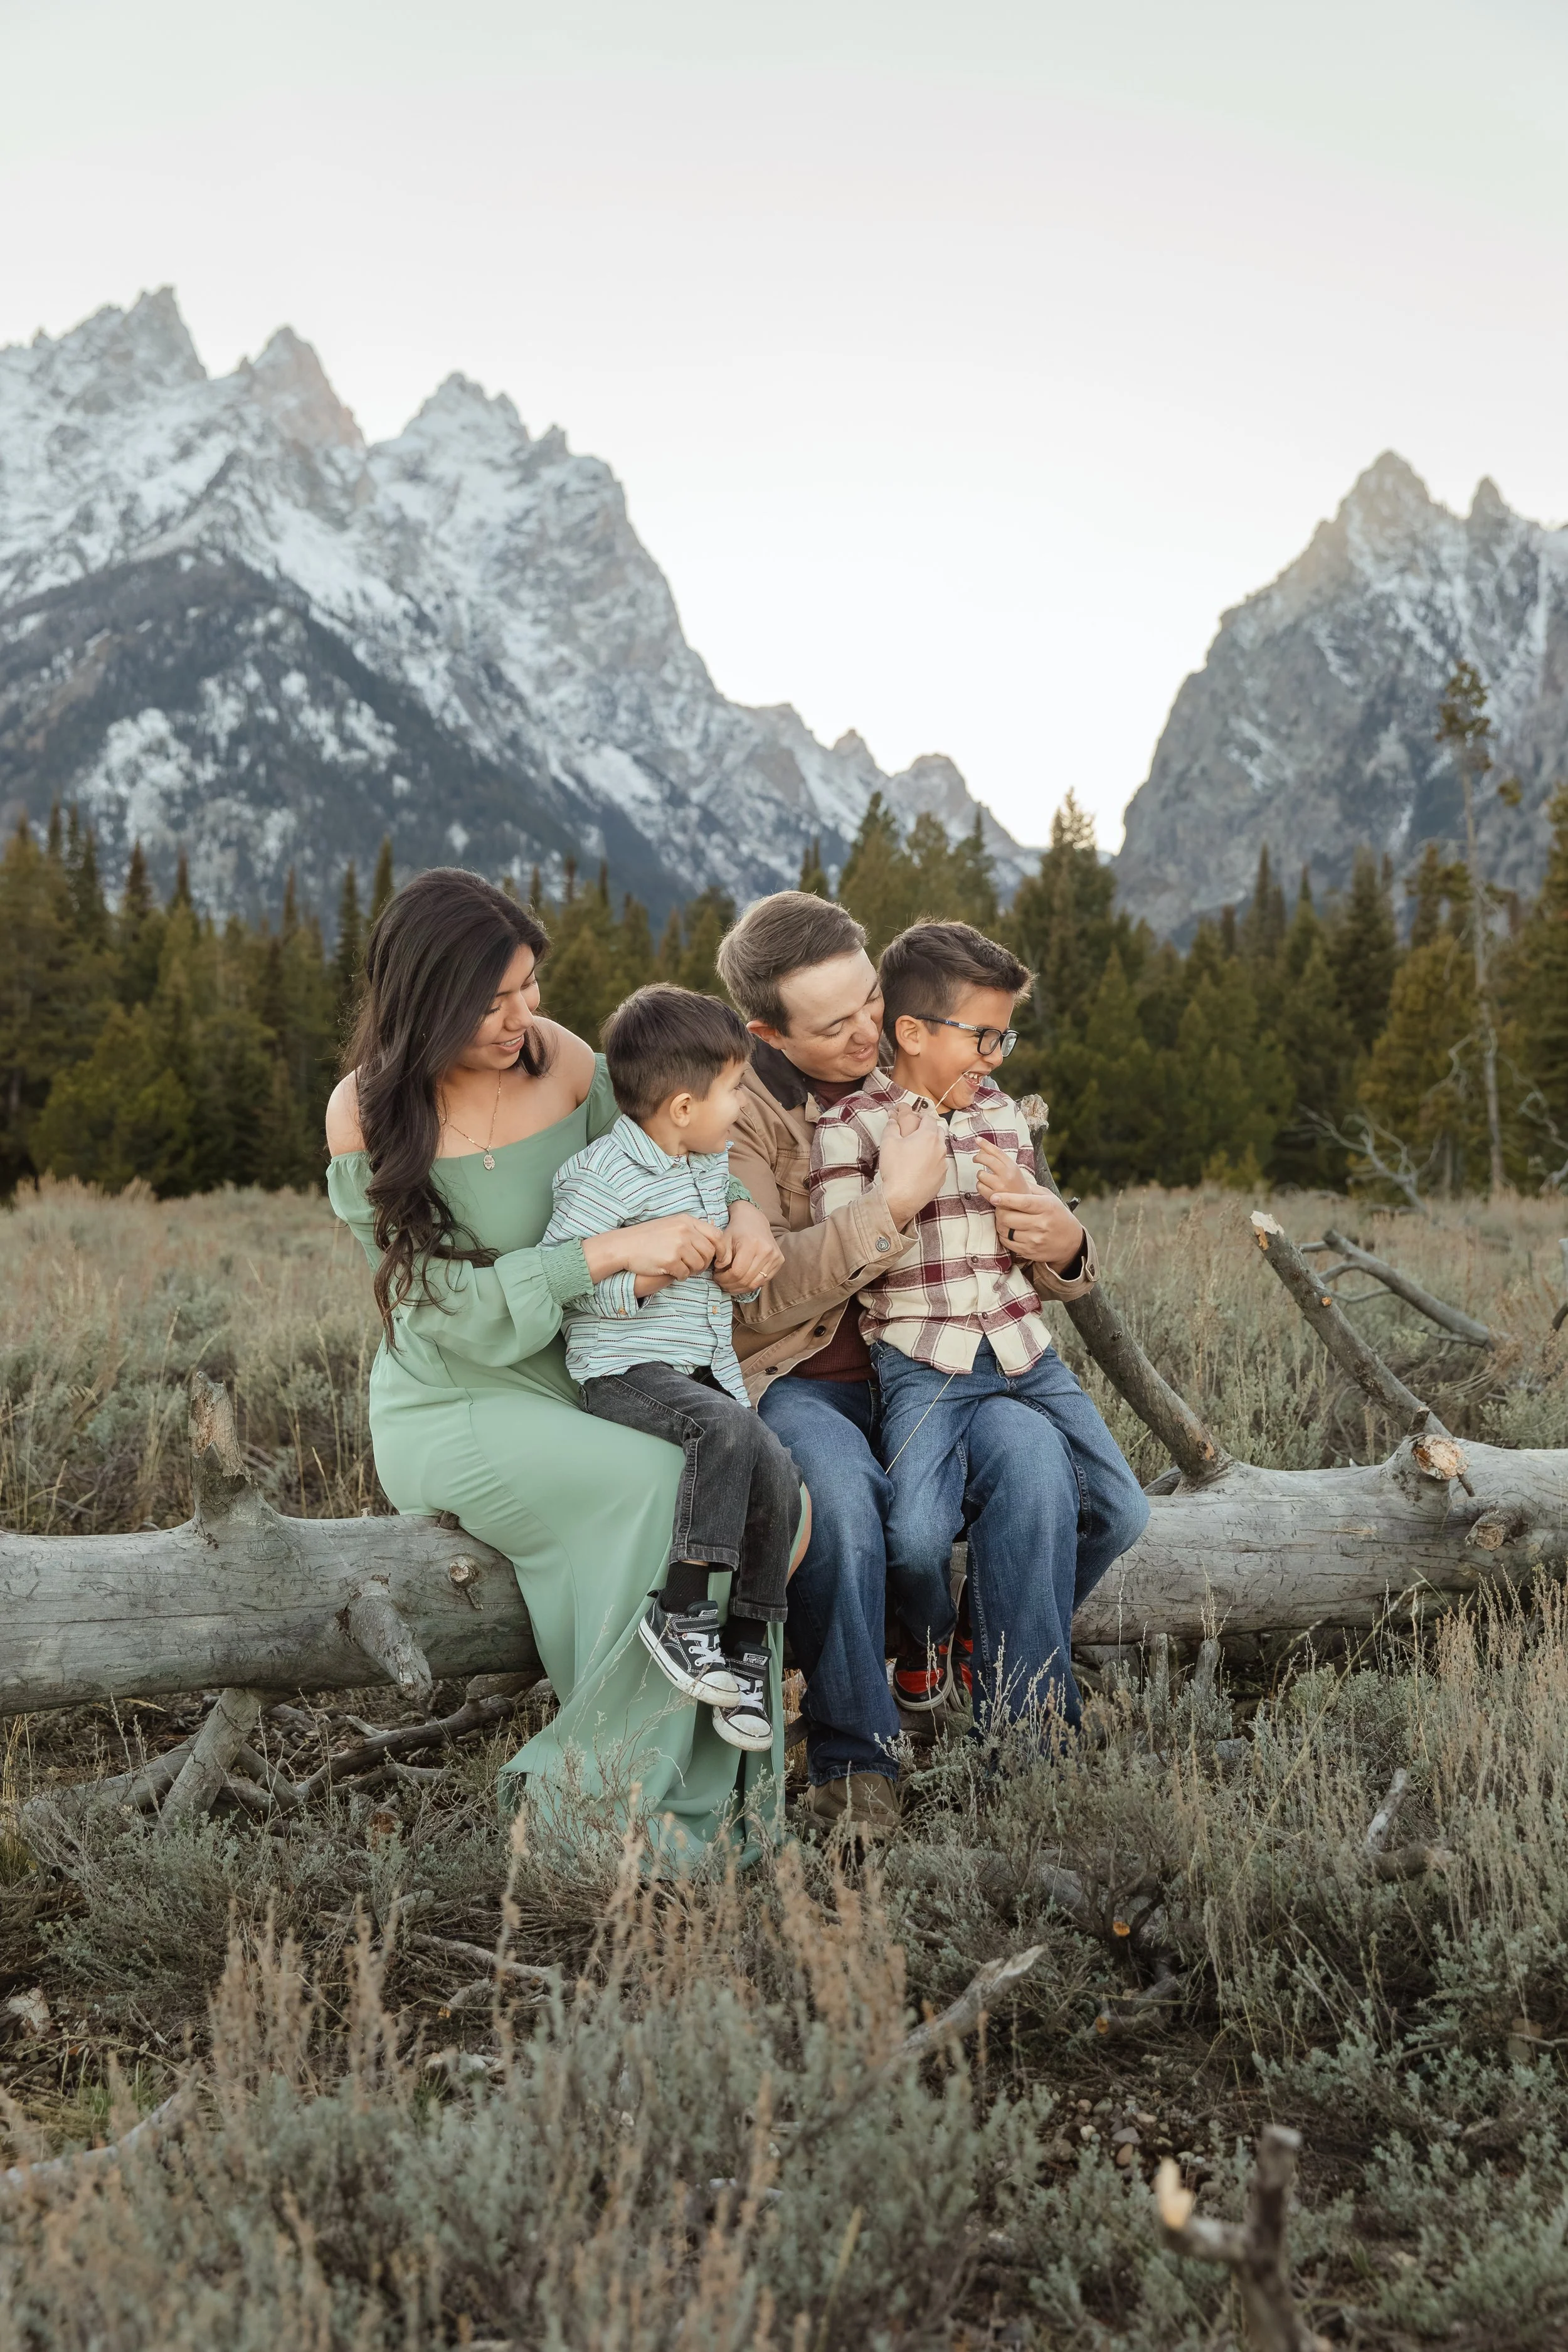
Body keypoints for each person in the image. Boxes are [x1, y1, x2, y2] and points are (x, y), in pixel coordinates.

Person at [324, 867, 785, 1853]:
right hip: (457, 1401)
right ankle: (594, 1803)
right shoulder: (364, 1114)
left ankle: (707, 1802)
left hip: (587, 1372)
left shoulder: (564, 1061)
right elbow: (444, 1314)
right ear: (425, 1000)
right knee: (668, 1477)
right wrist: (607, 1252)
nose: (521, 1015)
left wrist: (741, 1206)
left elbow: (684, 1137)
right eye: (492, 1000)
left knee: (751, 1475)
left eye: (529, 985)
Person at [714, 891, 1099, 1838]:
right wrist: (885, 1209)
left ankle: (1023, 1725)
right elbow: (753, 1303)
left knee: (1047, 1469)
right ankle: (857, 1759)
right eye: (834, 1022)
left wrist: (1067, 1248)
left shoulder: (946, 1074)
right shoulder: (740, 1114)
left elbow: (997, 1245)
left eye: (871, 1001)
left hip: (950, 1363)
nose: (867, 1031)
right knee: (842, 1505)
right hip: (812, 1378)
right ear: (768, 1029)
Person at [808, 920, 1150, 1734]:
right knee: (916, 1541)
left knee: (1121, 1509)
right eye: (983, 1035)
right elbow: (837, 1250)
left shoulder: (1003, 1117)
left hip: (1025, 1349)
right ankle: (925, 1637)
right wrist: (897, 1193)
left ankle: (984, 1641)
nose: (997, 1054)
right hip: (925, 1362)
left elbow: (1042, 1249)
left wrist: (1054, 1233)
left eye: (1006, 1034)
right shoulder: (855, 1127)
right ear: (914, 1032)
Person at [542, 985, 805, 1756]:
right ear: (684, 1106)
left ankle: (751, 1644)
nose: (743, 1105)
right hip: (623, 1366)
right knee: (725, 1427)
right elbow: (570, 1284)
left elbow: (730, 1225)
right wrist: (649, 1276)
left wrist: (738, 1255)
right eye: (734, 1090)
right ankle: (682, 1609)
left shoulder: (706, 1161)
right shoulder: (597, 1178)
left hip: (700, 1364)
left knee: (777, 1467)